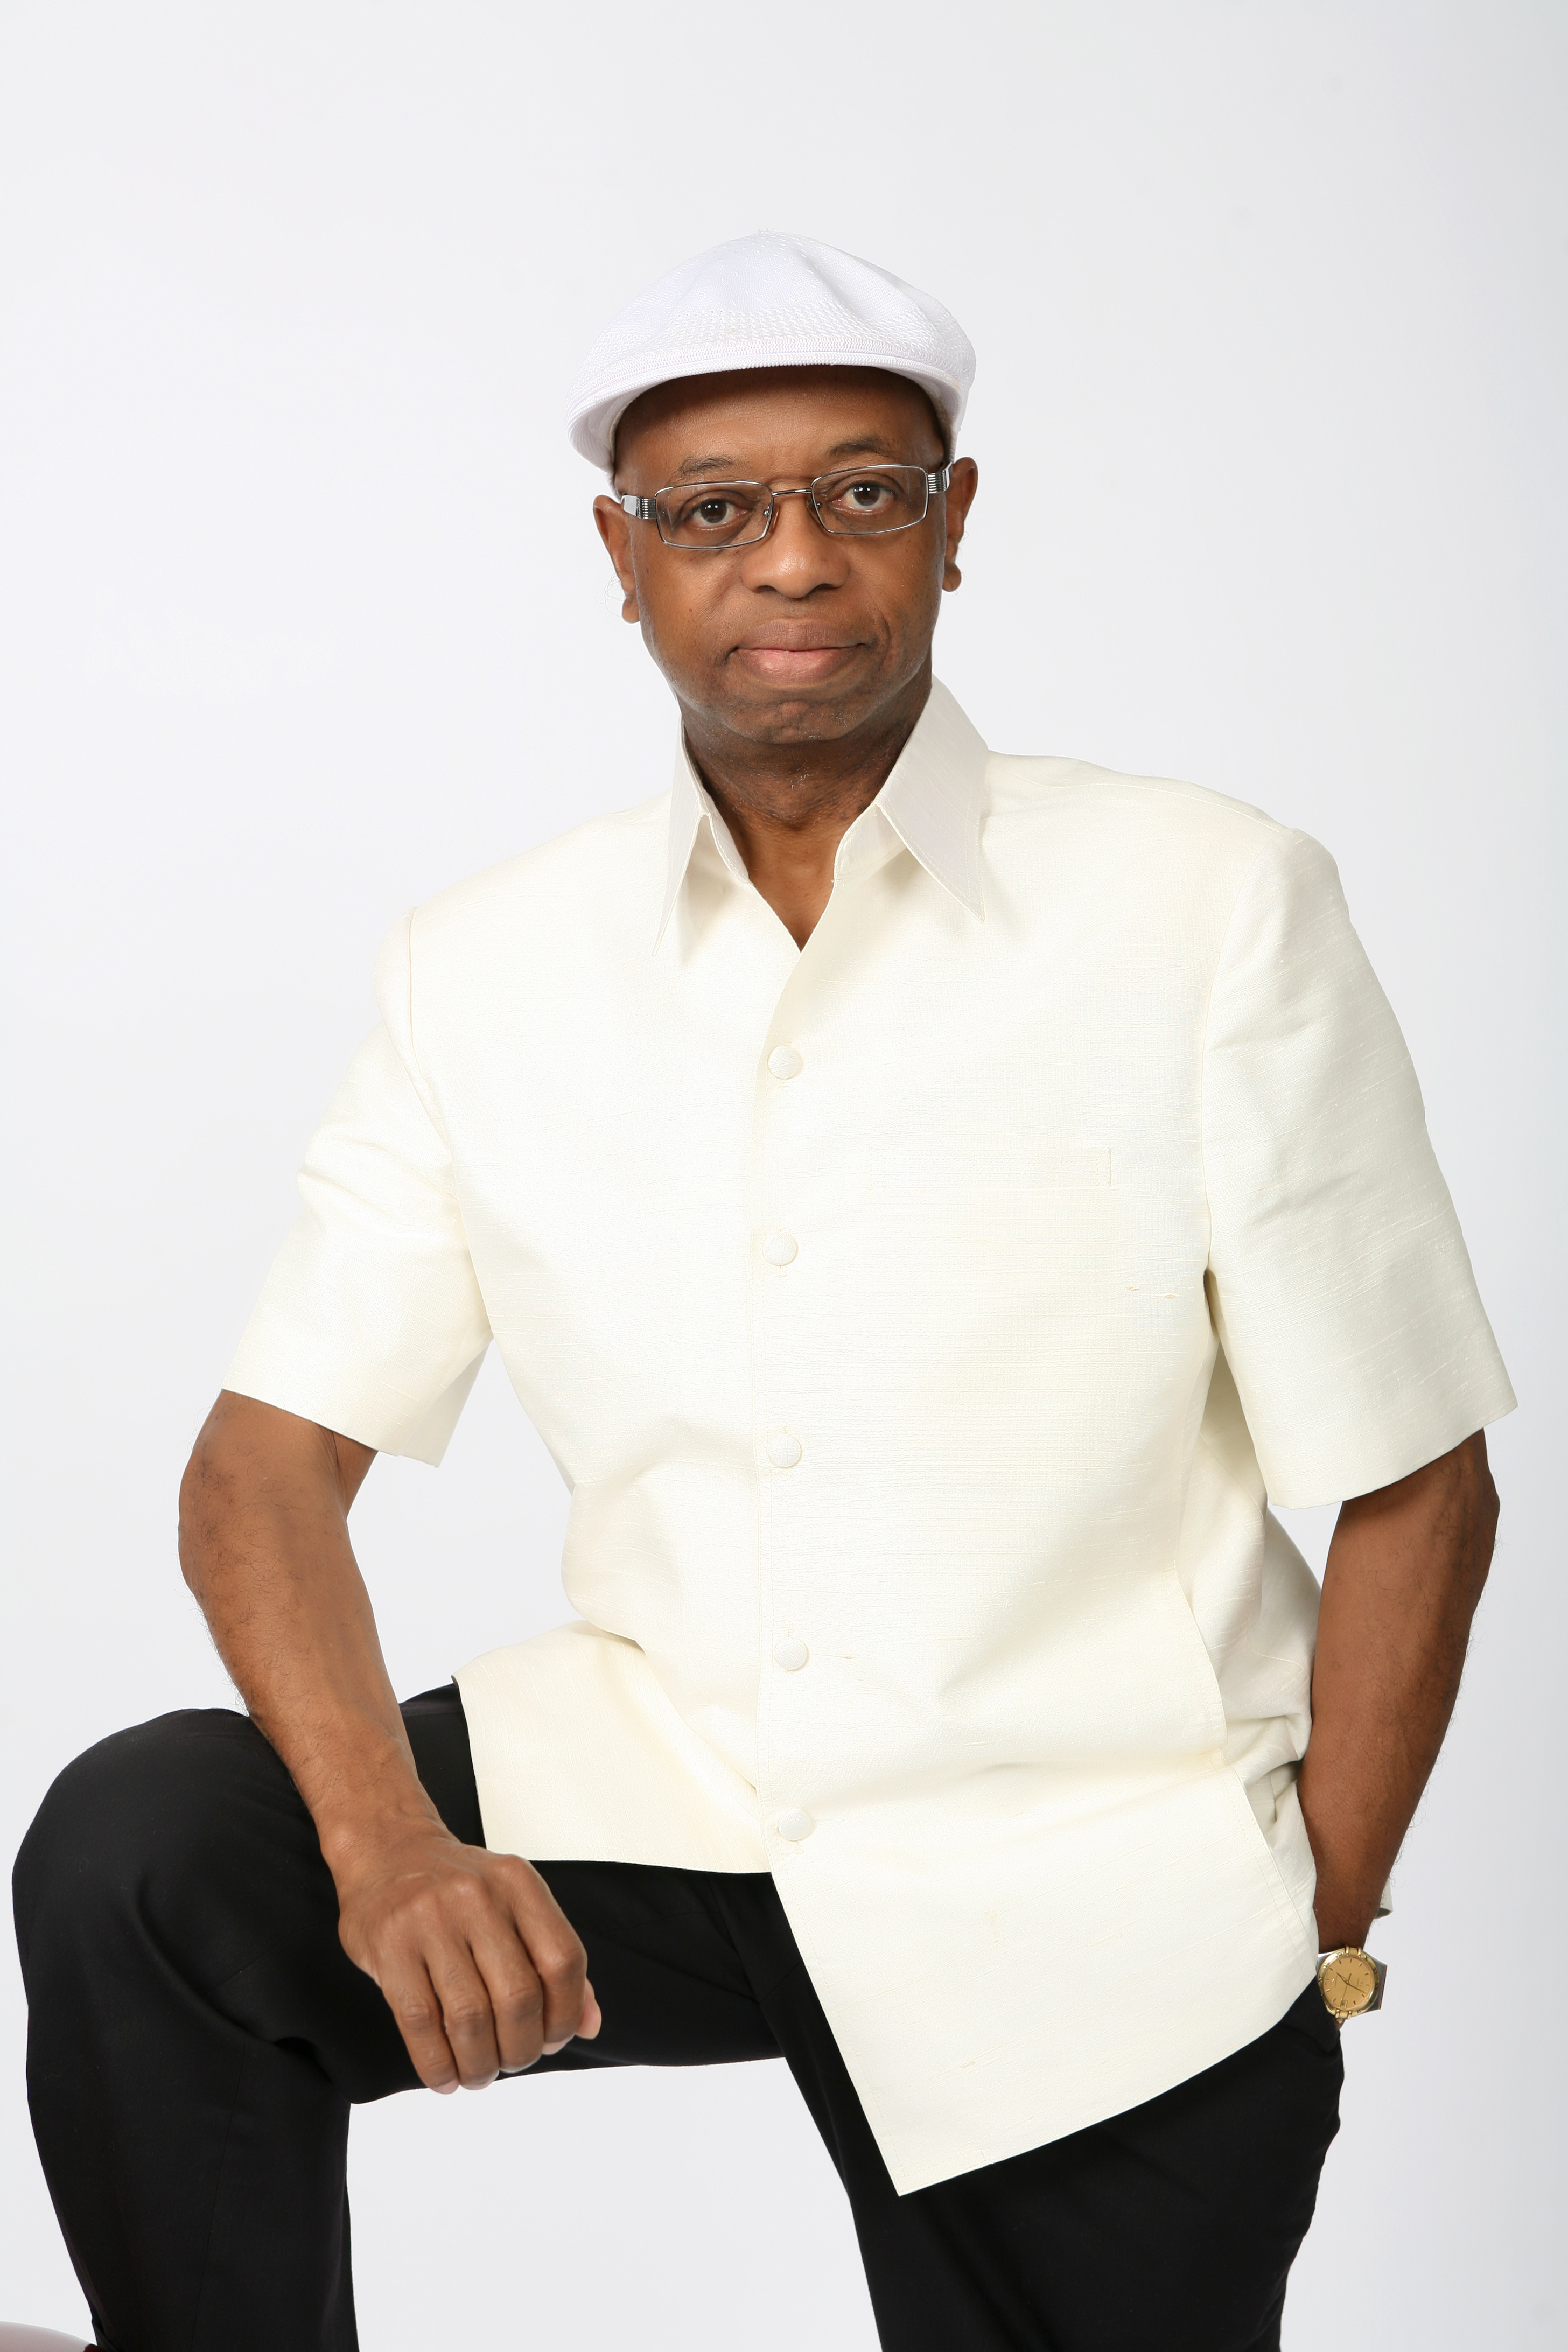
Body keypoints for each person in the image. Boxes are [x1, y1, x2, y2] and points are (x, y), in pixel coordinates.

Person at [13, 233, 1513, 2352]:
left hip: (1090, 1865)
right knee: (150, 1849)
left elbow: (1414, 1474)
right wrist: (385, 1848)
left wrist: (1311, 1928)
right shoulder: (485, 969)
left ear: (953, 526)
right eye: (712, 508)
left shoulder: (1206, 903)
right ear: (621, 559)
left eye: (861, 491)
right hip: (666, 1787)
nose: (791, 556)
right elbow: (261, 1468)